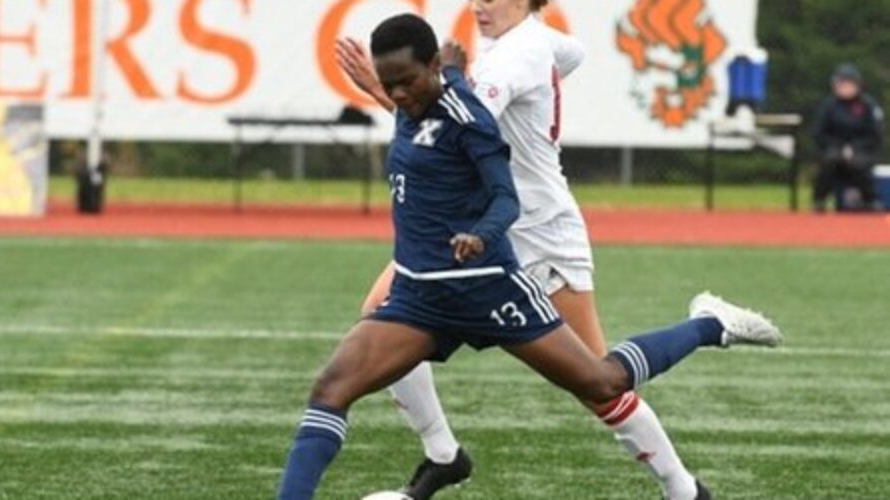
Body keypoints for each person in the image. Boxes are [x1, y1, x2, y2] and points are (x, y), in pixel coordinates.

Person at [277, 13, 782, 500]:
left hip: (492, 282)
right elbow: (567, 53)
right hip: (421, 295)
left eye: (407, 81)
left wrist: (481, 233)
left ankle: (707, 325)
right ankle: (443, 453)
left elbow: (499, 188)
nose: (398, 94)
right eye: (390, 85)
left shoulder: (485, 91)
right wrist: (427, 77)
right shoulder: (439, 88)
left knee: (601, 381)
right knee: (331, 388)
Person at [813, 63, 885, 212]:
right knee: (829, 161)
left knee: (858, 163)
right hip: (835, 149)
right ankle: (819, 200)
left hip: (862, 150)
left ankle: (870, 200)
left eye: (848, 84)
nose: (845, 88)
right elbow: (819, 133)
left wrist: (855, 148)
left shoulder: (868, 105)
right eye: (841, 84)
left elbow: (875, 133)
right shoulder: (829, 106)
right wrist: (838, 148)